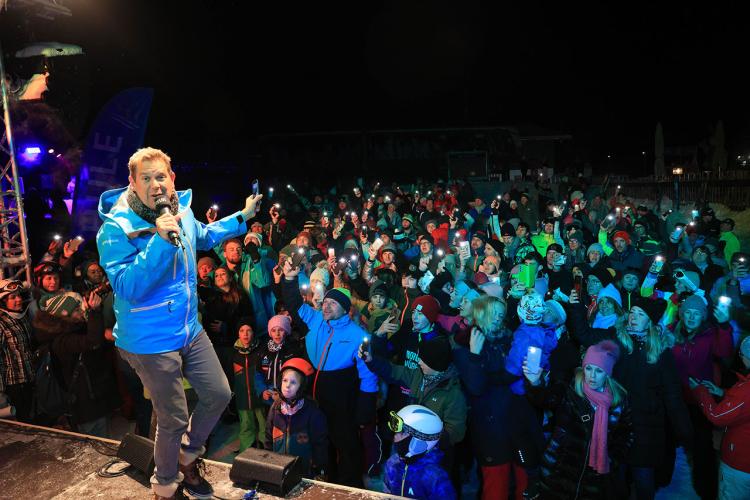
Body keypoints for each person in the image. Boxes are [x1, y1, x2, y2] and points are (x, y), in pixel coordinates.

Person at [96, 147, 263, 500]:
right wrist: (158, 241)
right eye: (146, 178)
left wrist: (242, 216)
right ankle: (166, 486)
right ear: (132, 182)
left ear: (172, 179)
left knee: (219, 393)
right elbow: (128, 287)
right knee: (171, 417)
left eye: (161, 176)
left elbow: (203, 235)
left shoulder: (180, 211)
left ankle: (187, 456)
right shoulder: (117, 229)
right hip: (149, 340)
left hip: (187, 328)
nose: (156, 184)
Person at [280, 260, 377, 486]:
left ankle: (352, 484)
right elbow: (294, 303)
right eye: (326, 302)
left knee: (345, 440)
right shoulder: (316, 320)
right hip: (316, 387)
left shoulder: (356, 335)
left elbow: (368, 375)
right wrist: (290, 279)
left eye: (333, 303)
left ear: (346, 309)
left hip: (341, 390)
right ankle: (329, 479)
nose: (326, 306)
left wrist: (365, 409)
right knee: (323, 439)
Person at [523, 340, 634, 500]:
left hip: (593, 482)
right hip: (558, 476)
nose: (592, 376)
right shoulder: (570, 389)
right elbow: (544, 399)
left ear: (607, 373)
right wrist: (534, 382)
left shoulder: (618, 401)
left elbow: (626, 434)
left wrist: (612, 459)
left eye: (599, 371)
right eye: (588, 368)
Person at [689, 335, 750, 500]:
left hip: (740, 466)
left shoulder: (745, 389)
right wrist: (722, 392)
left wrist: (700, 391)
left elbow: (717, 415)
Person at [265, 357, 328, 478]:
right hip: (278, 468)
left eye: (293, 382)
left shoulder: (313, 413)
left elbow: (320, 444)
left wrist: (319, 469)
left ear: (302, 386)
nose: (287, 385)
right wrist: (268, 461)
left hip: (303, 472)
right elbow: (268, 436)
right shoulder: (275, 408)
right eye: (285, 380)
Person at [383, 404, 457, 499]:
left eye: (403, 432)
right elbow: (386, 493)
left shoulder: (434, 477)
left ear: (419, 442)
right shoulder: (392, 463)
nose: (395, 436)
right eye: (396, 432)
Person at [0, 279, 35, 423]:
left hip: (29, 380)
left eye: (19, 295)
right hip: (13, 385)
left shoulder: (23, 318)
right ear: (3, 301)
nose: (18, 299)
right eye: (13, 297)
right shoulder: (1, 323)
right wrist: (1, 395)